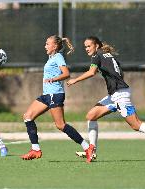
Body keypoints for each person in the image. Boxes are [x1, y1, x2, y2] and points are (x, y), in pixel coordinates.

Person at [66, 36, 145, 160]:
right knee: (91, 116)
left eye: (88, 46)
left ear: (96, 45)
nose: (86, 49)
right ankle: (91, 151)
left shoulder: (97, 55)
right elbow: (120, 71)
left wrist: (75, 80)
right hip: (115, 95)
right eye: (85, 47)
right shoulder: (107, 54)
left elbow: (92, 72)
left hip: (120, 95)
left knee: (136, 125)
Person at [20, 35, 95, 163]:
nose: (45, 46)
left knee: (60, 125)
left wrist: (53, 79)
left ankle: (87, 147)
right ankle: (35, 149)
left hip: (55, 94)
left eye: (47, 44)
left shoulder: (59, 57)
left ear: (55, 46)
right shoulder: (51, 58)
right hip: (46, 95)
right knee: (28, 116)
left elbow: (66, 73)